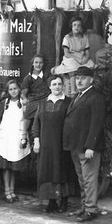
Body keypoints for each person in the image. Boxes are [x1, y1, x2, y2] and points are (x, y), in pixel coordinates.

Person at [63, 66, 106, 222]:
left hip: (87, 147)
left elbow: (96, 123)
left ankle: (91, 209)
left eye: (83, 78)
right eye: (77, 78)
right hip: (76, 145)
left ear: (91, 80)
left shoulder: (96, 97)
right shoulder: (78, 96)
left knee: (89, 179)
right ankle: (84, 206)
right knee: (82, 179)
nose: (79, 81)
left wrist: (90, 146)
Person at [32, 75, 72, 213]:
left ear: (63, 86)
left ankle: (64, 201)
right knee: (48, 171)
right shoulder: (43, 103)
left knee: (61, 171)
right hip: (46, 145)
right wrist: (36, 140)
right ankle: (52, 201)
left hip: (62, 144)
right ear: (49, 86)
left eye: (59, 84)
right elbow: (36, 123)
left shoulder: (68, 102)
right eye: (54, 84)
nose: (57, 87)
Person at [0, 80, 30, 203]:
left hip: (17, 135)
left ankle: (12, 190)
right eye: (10, 89)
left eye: (15, 88)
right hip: (6, 137)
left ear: (19, 89)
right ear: (8, 91)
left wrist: (24, 136)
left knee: (14, 165)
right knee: (6, 166)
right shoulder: (4, 103)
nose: (13, 91)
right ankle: (7, 191)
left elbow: (26, 120)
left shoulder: (24, 103)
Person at [53, 16, 94, 95]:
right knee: (72, 67)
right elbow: (66, 53)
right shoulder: (67, 38)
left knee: (88, 67)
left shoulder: (84, 38)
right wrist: (77, 58)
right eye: (74, 25)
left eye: (79, 25)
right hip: (70, 57)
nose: (76, 27)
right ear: (71, 27)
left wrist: (85, 59)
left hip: (81, 57)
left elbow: (87, 52)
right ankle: (73, 91)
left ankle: (84, 89)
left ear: (81, 27)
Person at [21, 54, 50, 137]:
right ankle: (24, 134)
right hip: (34, 99)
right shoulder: (28, 78)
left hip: (46, 98)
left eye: (40, 62)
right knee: (29, 112)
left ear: (43, 64)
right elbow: (24, 93)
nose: (38, 65)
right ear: (33, 64)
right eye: (36, 62)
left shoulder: (46, 75)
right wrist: (24, 99)